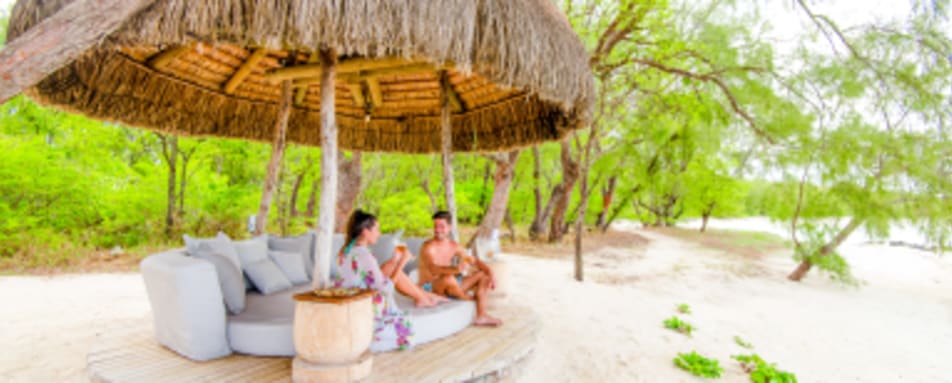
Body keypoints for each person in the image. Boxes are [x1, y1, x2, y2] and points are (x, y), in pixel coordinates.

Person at [331, 210, 447, 350]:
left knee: (390, 268)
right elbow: (386, 290)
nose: (379, 233)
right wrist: (402, 263)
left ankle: (424, 296)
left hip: (352, 300)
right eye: (377, 229)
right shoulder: (365, 256)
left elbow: (370, 277)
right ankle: (424, 297)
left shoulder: (346, 250)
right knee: (397, 274)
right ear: (365, 232)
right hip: (363, 306)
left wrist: (394, 260)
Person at [418, 211, 503, 327]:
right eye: (435, 226)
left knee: (484, 274)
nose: (437, 230)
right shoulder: (428, 246)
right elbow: (433, 269)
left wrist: (491, 274)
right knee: (448, 278)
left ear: (449, 227)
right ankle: (467, 298)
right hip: (432, 286)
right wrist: (456, 270)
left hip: (452, 285)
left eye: (441, 226)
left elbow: (473, 261)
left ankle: (481, 316)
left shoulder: (453, 246)